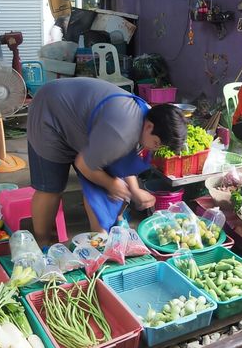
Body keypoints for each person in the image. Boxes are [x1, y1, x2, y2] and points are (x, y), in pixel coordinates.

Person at [27, 77, 187, 245]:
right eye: (157, 144)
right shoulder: (121, 133)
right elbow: (83, 164)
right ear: (149, 127)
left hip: (80, 119)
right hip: (50, 111)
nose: (156, 149)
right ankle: (41, 244)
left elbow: (123, 163)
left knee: (108, 176)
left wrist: (134, 189)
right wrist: (111, 184)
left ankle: (112, 227)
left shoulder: (148, 119)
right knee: (52, 187)